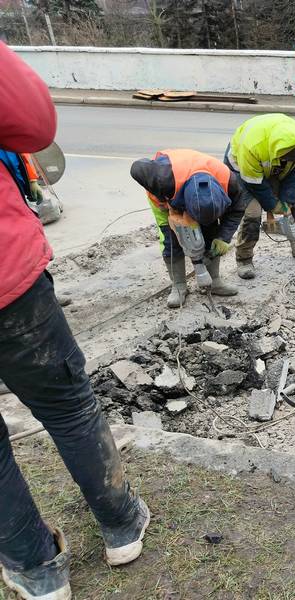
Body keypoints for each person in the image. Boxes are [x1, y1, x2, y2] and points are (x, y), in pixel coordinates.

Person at [0, 42, 149, 600]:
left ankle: (37, 571)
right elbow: (34, 122)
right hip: (7, 278)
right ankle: (122, 525)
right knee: (68, 406)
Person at [130, 149, 247, 308]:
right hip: (167, 199)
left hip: (194, 184)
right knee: (171, 241)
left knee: (211, 233)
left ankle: (214, 281)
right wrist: (168, 207)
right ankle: (179, 286)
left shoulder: (229, 181)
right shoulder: (162, 180)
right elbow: (138, 167)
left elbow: (238, 209)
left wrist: (223, 238)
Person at [224, 113, 295, 280]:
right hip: (244, 171)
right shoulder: (252, 147)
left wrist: (286, 201)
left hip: (277, 170)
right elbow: (254, 183)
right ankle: (244, 258)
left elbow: (294, 175)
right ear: (278, 151)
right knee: (253, 212)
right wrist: (272, 205)